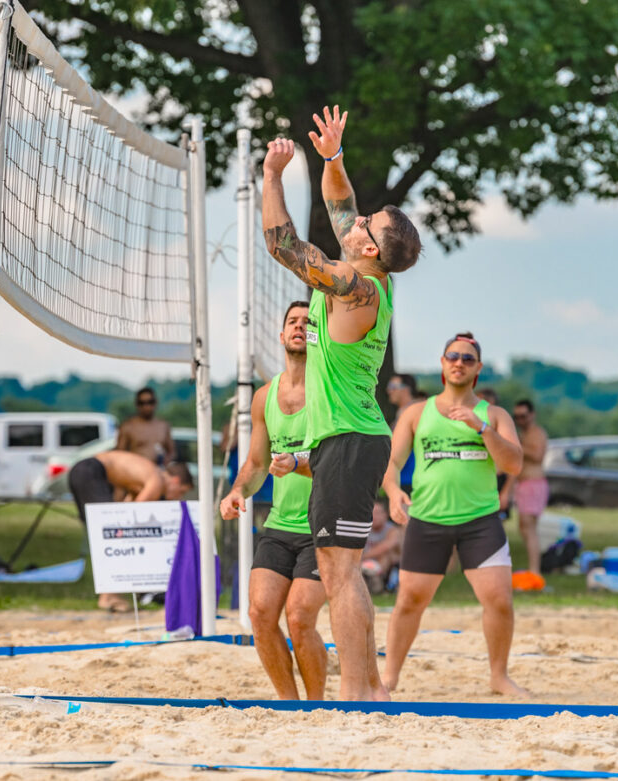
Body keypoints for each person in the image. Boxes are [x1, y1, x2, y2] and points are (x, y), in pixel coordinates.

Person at [262, 106, 422, 700]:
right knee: (338, 570)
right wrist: (331, 158)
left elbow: (282, 244)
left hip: (353, 442)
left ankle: (362, 691)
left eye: (369, 224)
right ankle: (369, 687)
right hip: (345, 440)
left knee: (340, 571)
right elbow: (339, 203)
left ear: (372, 250)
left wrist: (274, 176)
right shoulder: (363, 269)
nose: (357, 220)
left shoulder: (356, 285)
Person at [381, 332, 527, 697]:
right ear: (442, 364)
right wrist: (394, 491)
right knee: (409, 601)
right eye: (453, 356)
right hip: (428, 519)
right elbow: (391, 461)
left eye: (467, 358)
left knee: (499, 599)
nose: (459, 362)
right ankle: (390, 677)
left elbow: (514, 463)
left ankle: (498, 677)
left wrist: (480, 429)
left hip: (480, 521)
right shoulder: (417, 412)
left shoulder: (493, 415)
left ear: (477, 369)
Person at [220, 301, 327, 700]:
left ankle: (316, 708)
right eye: (292, 322)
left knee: (299, 618)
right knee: (260, 615)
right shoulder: (265, 397)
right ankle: (289, 704)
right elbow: (255, 463)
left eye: (307, 323)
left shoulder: (333, 393)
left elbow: (343, 465)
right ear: (282, 337)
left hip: (324, 527)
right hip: (281, 526)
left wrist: (299, 462)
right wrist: (236, 492)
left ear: (318, 336)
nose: (299, 327)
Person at [68, 451, 193, 612]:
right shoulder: (156, 482)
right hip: (90, 471)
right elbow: (131, 516)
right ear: (175, 481)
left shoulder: (147, 478)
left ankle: (109, 594)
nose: (177, 497)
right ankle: (108, 596)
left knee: (105, 535)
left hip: (83, 470)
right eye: (181, 491)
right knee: (109, 535)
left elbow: (126, 508)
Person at [513, 399, 549, 575]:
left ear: (532, 415)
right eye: (517, 417)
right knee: (525, 528)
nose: (520, 420)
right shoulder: (524, 435)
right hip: (524, 484)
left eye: (523, 416)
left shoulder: (537, 433)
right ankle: (533, 568)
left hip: (533, 485)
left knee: (529, 528)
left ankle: (535, 570)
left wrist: (518, 444)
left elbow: (537, 455)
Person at [478, 388, 514, 521]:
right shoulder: (469, 425)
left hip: (496, 482)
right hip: (476, 483)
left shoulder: (502, 428)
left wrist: (505, 492)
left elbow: (512, 463)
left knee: (494, 526)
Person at [117, 387, 174, 466]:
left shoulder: (163, 426)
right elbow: (119, 455)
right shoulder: (128, 426)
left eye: (150, 402)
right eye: (142, 403)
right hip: (137, 473)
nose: (146, 406)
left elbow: (172, 452)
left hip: (158, 472)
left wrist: (165, 461)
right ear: (137, 405)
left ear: (155, 403)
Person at [360, 496, 403, 595]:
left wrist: (362, 557)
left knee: (387, 554)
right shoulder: (363, 528)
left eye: (378, 513)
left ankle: (377, 581)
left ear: (385, 515)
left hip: (384, 567)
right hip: (363, 564)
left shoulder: (392, 530)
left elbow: (387, 545)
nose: (374, 516)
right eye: (372, 512)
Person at [387, 374, 418, 493]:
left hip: (410, 479)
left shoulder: (413, 412)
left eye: (393, 386)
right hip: (403, 477)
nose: (389, 390)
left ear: (406, 388)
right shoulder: (403, 413)